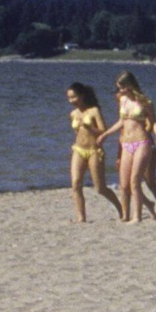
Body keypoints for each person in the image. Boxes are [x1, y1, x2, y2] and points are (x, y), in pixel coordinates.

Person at [107, 72, 156, 222]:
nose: (120, 91)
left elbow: (153, 122)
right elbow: (121, 123)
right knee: (125, 184)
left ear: (130, 85)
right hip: (126, 143)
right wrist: (104, 135)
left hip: (143, 142)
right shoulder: (123, 100)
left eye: (122, 88)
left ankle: (146, 215)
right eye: (118, 88)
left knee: (148, 181)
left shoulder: (146, 102)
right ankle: (126, 215)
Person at [63, 84, 126, 223]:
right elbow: (77, 133)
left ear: (82, 95)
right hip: (79, 149)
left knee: (100, 188)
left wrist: (90, 128)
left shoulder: (94, 111)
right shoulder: (73, 114)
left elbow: (103, 131)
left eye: (74, 97)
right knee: (75, 183)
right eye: (69, 98)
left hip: (94, 150)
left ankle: (121, 208)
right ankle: (81, 217)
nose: (72, 100)